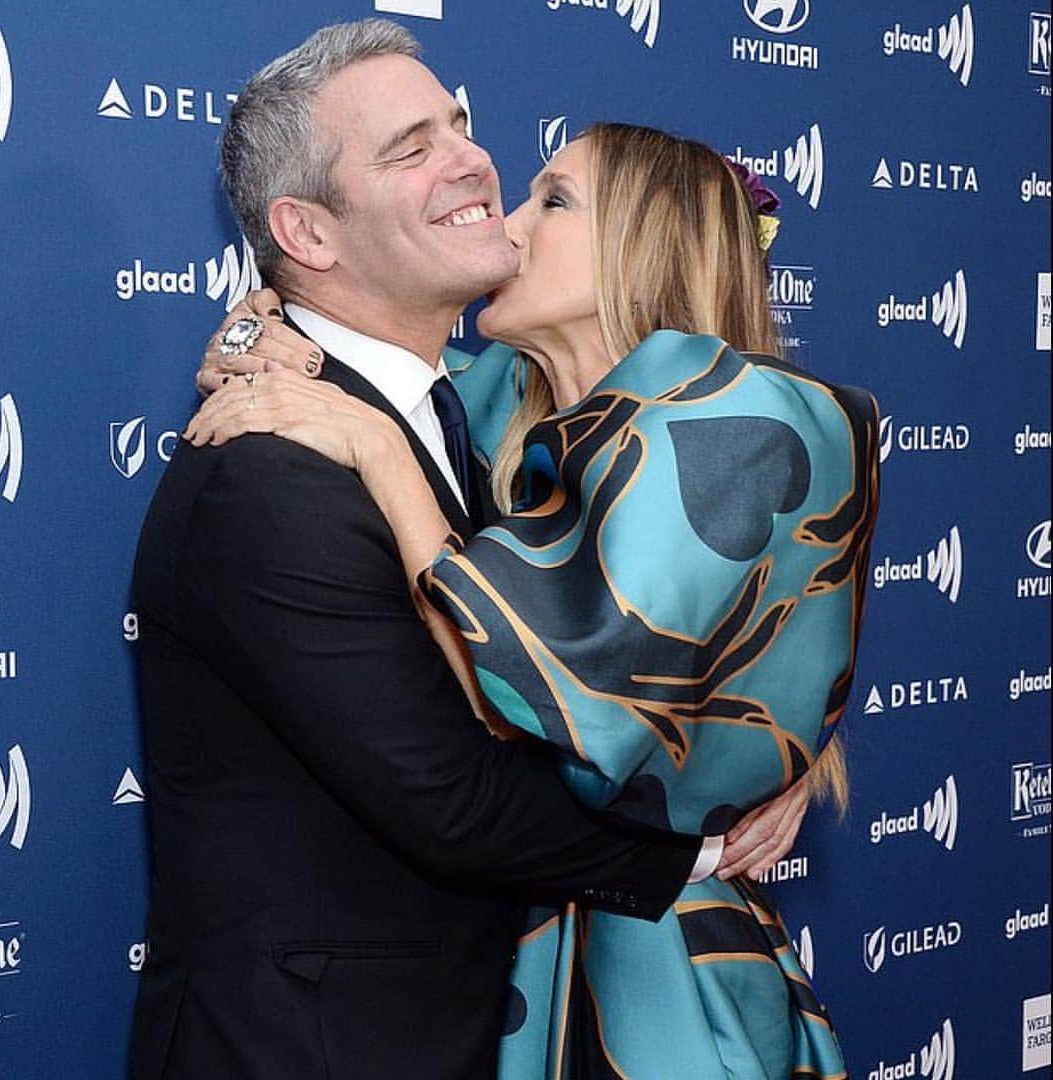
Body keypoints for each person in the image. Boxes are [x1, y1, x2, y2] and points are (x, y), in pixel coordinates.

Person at [188, 120, 879, 1076]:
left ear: (646, 251)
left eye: (552, 201)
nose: (507, 226)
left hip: (658, 981)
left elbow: (546, 683)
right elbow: (355, 351)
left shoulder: (753, 424)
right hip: (508, 964)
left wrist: (377, 453)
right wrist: (255, 336)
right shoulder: (499, 406)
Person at [129, 23, 731, 1080]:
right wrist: (705, 844)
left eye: (458, 121)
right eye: (410, 148)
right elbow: (455, 799)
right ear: (308, 233)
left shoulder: (484, 419)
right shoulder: (269, 471)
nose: (472, 157)